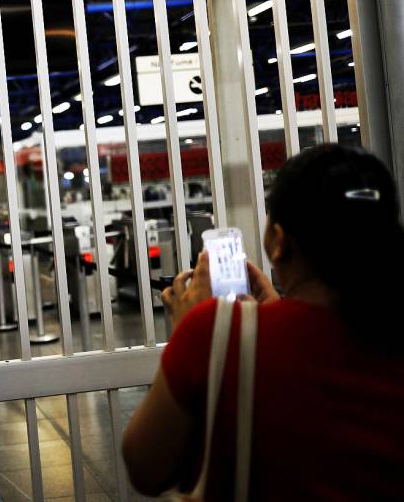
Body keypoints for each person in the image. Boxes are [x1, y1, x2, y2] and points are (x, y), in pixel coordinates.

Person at [123, 144, 404, 500]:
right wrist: (278, 310)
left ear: (278, 243)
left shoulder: (216, 332)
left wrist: (192, 333)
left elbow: (145, 469)